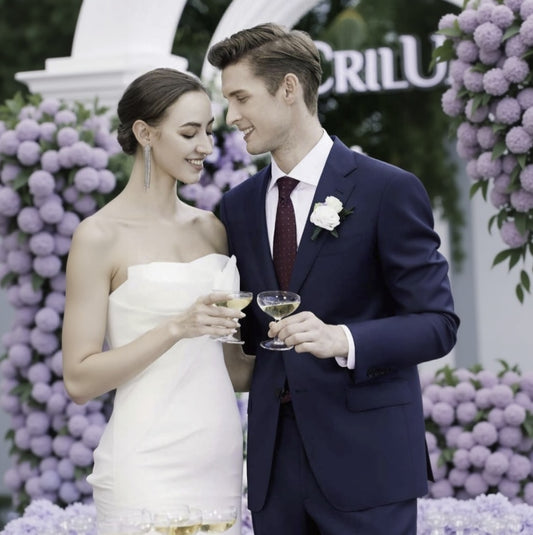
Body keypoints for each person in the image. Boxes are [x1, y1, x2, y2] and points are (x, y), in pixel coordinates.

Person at [207, 23, 460, 535]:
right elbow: (250, 339)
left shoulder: (388, 189)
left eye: (240, 97)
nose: (230, 117)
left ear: (289, 89)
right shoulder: (235, 208)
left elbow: (438, 323)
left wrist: (340, 338)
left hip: (369, 464)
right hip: (274, 470)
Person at [61, 67, 253, 532]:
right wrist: (175, 328)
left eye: (209, 130)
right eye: (190, 133)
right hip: (145, 462)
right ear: (145, 133)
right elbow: (80, 380)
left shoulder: (212, 229)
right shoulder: (98, 236)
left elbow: (234, 369)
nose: (206, 146)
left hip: (219, 458)